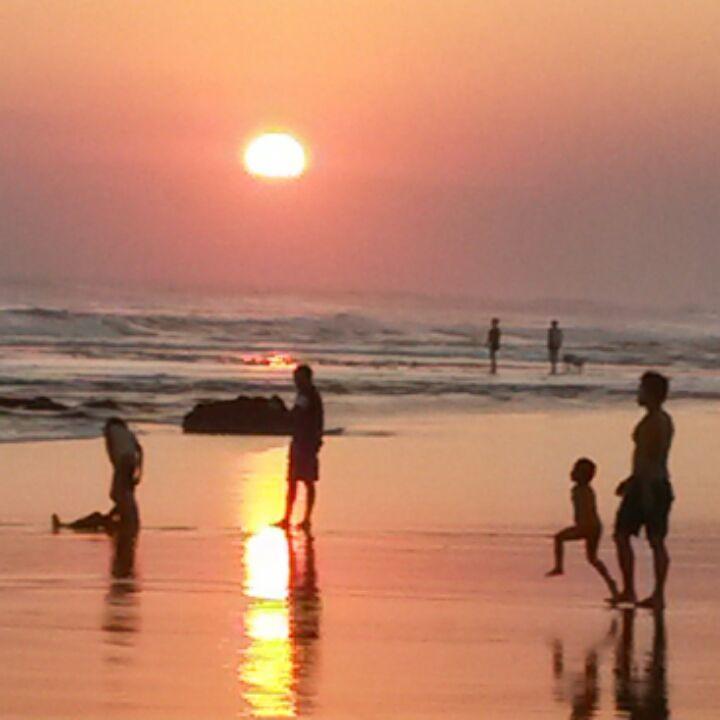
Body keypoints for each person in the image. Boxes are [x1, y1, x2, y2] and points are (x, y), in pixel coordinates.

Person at [613, 372, 674, 610]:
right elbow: (649, 458)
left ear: (651, 394)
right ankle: (643, 591)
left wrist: (643, 488)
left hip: (650, 485)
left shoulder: (655, 423)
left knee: (639, 537)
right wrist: (631, 480)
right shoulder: (660, 419)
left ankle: (644, 591)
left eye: (641, 389)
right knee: (645, 538)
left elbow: (650, 458)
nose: (638, 393)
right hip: (648, 483)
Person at [546, 457, 618, 599]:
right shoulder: (581, 489)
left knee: (559, 538)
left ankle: (559, 567)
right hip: (594, 527)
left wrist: (580, 527)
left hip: (588, 526)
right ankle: (612, 586)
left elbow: (586, 510)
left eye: (575, 471)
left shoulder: (582, 490)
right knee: (592, 559)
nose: (571, 473)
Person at [276, 365, 324, 531]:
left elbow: (296, 414)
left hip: (304, 442)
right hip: (306, 441)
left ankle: (296, 518)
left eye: (298, 378)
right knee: (301, 481)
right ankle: (297, 518)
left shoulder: (306, 395)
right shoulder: (310, 394)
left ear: (306, 378)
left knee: (299, 481)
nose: (295, 381)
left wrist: (281, 412)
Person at [104, 417, 143, 577]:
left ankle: (128, 518)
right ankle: (124, 516)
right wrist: (139, 471)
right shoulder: (128, 432)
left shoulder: (110, 431)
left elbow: (111, 452)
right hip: (132, 460)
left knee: (115, 493)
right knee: (126, 491)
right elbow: (140, 450)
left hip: (122, 460)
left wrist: (116, 468)